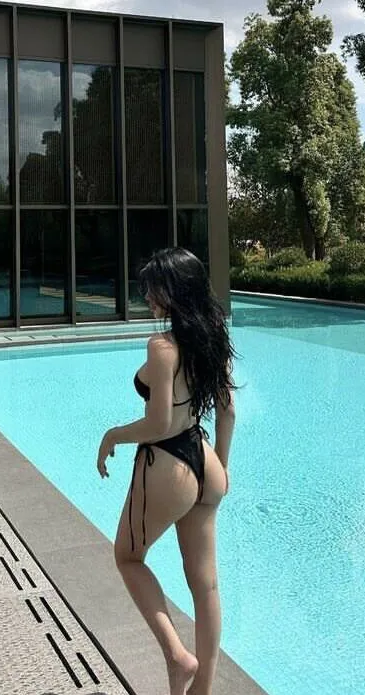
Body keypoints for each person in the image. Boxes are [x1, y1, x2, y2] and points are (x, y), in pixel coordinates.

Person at [97, 247, 237, 695]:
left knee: (128, 557)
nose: (148, 297)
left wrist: (113, 435)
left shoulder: (162, 347)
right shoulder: (214, 338)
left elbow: (158, 424)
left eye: (154, 288)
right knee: (206, 585)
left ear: (174, 291)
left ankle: (178, 658)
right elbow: (228, 412)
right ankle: (203, 689)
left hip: (168, 463)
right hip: (205, 459)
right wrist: (222, 469)